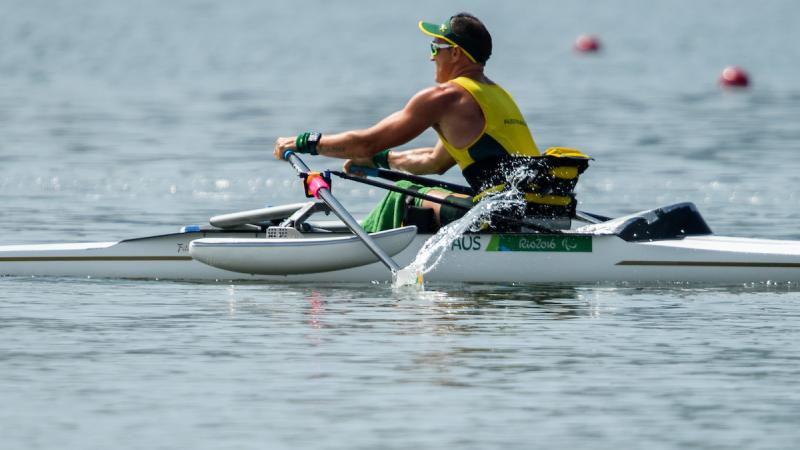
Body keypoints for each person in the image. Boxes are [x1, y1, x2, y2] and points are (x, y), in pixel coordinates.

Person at [273, 13, 582, 232]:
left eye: (436, 48)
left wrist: (306, 142)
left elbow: (367, 140)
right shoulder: (497, 95)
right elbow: (434, 162)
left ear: (457, 54)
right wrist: (380, 161)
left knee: (406, 192)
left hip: (501, 219)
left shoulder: (446, 97)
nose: (431, 57)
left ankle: (361, 250)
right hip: (540, 214)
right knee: (424, 186)